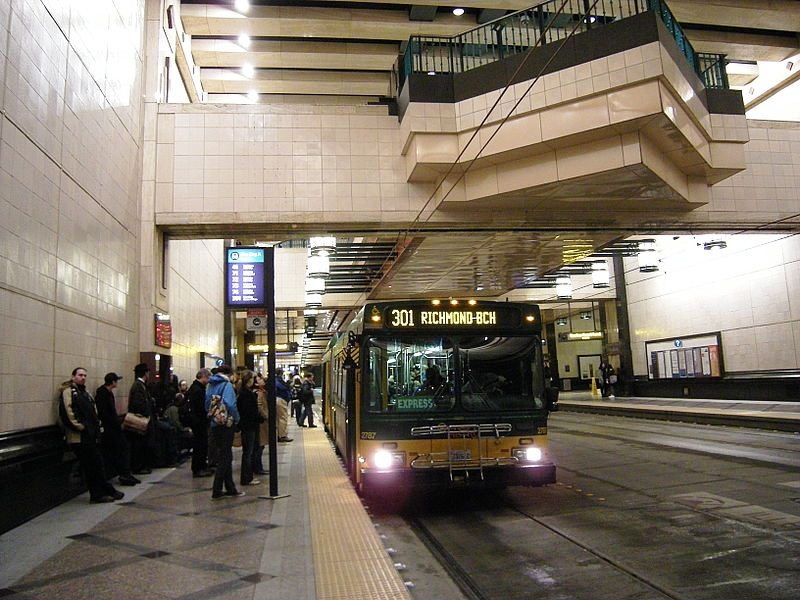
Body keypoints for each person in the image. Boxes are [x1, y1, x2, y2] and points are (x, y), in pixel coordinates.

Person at [59, 368, 123, 503]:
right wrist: (81, 427)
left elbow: (93, 410)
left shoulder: (85, 393)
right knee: (91, 465)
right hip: (79, 436)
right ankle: (97, 494)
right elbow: (68, 412)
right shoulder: (69, 392)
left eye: (84, 375)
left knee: (97, 464)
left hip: (90, 434)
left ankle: (105, 490)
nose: (83, 377)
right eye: (80, 375)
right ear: (73, 376)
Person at [205, 364, 244, 499]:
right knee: (225, 457)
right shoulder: (227, 385)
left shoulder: (210, 385)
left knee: (224, 454)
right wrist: (237, 418)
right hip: (226, 423)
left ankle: (230, 487)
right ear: (229, 374)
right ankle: (217, 489)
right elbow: (231, 404)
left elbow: (206, 404)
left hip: (215, 423)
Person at [94, 372, 139, 486]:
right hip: (110, 428)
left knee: (119, 450)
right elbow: (106, 413)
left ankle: (125, 474)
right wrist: (117, 422)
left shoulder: (105, 393)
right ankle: (124, 475)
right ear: (113, 382)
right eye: (116, 381)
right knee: (121, 450)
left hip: (112, 427)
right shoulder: (103, 394)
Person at [127, 363, 156, 475]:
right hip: (141, 420)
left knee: (141, 444)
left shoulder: (139, 385)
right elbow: (139, 404)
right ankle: (139, 466)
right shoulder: (139, 386)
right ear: (145, 373)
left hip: (143, 419)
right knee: (139, 444)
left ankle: (141, 465)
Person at [236, 370, 261, 486]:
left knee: (247, 452)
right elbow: (249, 412)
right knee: (248, 452)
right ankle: (247, 478)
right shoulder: (247, 395)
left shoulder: (242, 393)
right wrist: (259, 418)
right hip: (249, 427)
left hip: (247, 426)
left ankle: (247, 477)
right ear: (249, 380)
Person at [187, 368, 213, 477]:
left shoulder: (195, 388)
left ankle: (201, 466)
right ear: (203, 377)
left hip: (197, 421)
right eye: (208, 378)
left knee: (201, 445)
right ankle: (199, 468)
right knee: (200, 445)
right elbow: (200, 407)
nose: (208, 380)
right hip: (199, 421)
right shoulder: (198, 390)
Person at [274, 369, 293, 442]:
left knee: (279, 418)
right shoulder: (278, 380)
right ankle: (282, 436)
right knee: (283, 418)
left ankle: (280, 435)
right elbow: (283, 388)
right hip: (281, 399)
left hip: (279, 399)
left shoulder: (275, 380)